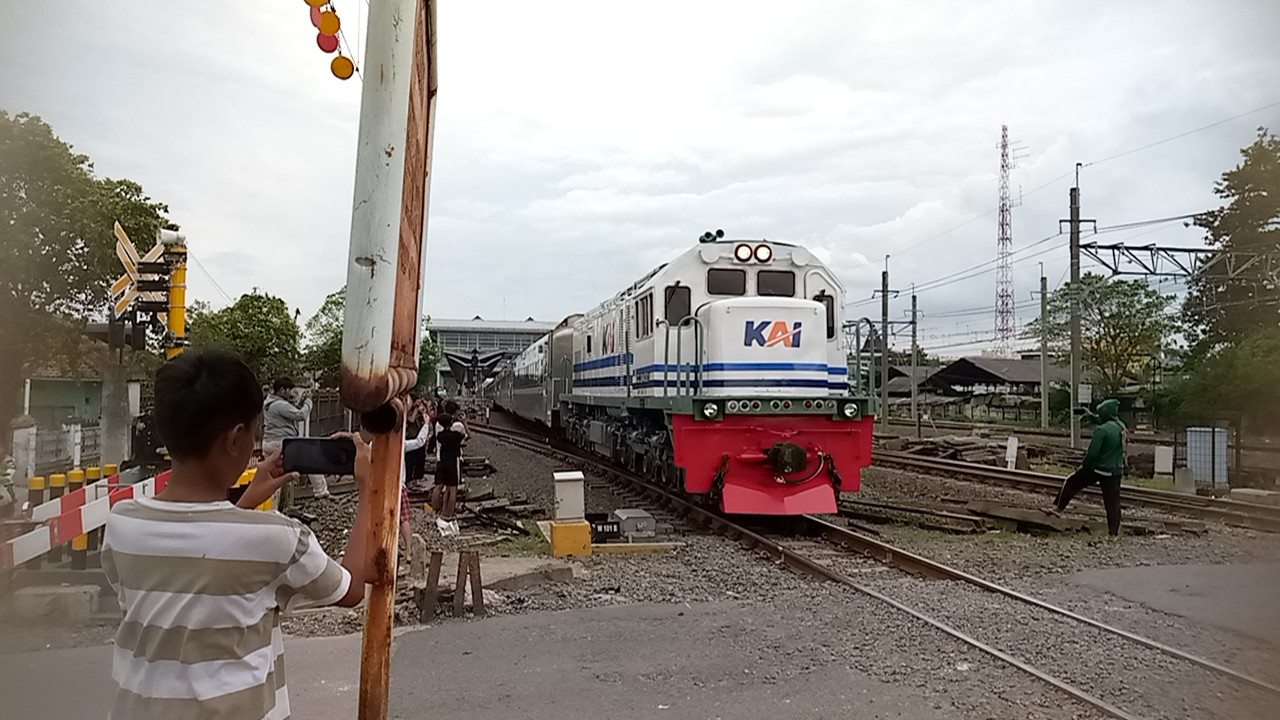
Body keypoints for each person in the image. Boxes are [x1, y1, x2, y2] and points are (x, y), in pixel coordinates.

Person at [100, 349, 374, 719]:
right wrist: (369, 490)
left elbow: (201, 560)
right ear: (235, 439)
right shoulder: (276, 539)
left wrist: (244, 502)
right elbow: (351, 587)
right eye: (255, 435)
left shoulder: (123, 523)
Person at [1052, 398, 1128, 536]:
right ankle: (1113, 533)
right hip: (1115, 471)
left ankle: (1058, 509)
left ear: (1104, 413)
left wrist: (1083, 465)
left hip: (1097, 468)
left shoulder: (1101, 431)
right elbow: (1103, 420)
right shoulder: (1121, 426)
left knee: (1071, 482)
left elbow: (1092, 453)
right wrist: (1090, 415)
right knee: (1112, 504)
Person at [263, 377, 330, 505]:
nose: (291, 393)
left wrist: (301, 401)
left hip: (270, 443)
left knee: (276, 477)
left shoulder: (270, 403)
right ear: (282, 390)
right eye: (289, 390)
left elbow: (290, 412)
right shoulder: (279, 405)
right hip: (281, 443)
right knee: (311, 459)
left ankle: (273, 505)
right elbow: (300, 415)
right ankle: (321, 493)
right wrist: (309, 402)